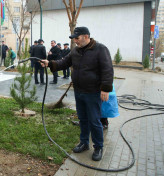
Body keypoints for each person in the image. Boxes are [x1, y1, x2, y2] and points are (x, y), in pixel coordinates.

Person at [40, 26, 113, 161]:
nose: (75, 41)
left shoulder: (100, 49)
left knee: (94, 120)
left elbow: (107, 69)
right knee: (83, 119)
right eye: (74, 39)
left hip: (93, 92)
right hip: (79, 91)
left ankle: (98, 147)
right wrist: (49, 63)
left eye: (77, 38)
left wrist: (106, 89)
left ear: (86, 36)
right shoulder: (76, 51)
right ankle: (84, 143)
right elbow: (63, 62)